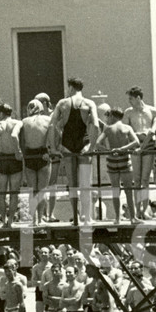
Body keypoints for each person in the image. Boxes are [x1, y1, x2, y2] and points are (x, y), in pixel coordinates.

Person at [49, 77, 100, 224]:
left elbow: (52, 126)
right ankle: (87, 217)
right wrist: (92, 147)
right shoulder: (89, 103)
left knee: (72, 184)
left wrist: (53, 148)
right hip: (83, 145)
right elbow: (96, 126)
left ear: (70, 88)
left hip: (67, 147)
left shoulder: (62, 103)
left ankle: (75, 217)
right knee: (85, 183)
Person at [94, 106, 140, 225]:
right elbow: (136, 142)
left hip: (112, 161)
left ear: (113, 116)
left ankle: (117, 218)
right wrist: (122, 149)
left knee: (115, 190)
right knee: (128, 190)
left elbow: (98, 144)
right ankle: (133, 217)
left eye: (108, 116)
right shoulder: (127, 128)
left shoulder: (108, 129)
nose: (108, 119)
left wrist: (109, 150)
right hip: (125, 159)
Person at [122, 86, 156, 219]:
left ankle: (144, 210)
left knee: (145, 179)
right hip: (136, 145)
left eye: (131, 98)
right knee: (136, 179)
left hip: (148, 144)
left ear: (138, 98)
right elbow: (126, 129)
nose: (129, 101)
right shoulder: (128, 112)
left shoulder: (152, 111)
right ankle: (137, 210)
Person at [16, 99, 52, 224]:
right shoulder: (47, 120)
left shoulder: (24, 122)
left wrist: (22, 155)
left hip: (30, 155)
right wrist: (50, 151)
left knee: (33, 190)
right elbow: (54, 136)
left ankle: (34, 219)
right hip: (43, 154)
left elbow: (21, 141)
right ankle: (40, 218)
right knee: (41, 190)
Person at [0, 103, 24, 228]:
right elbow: (14, 135)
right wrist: (18, 152)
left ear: (0, 113)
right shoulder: (17, 123)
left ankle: (3, 221)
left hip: (3, 159)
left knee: (1, 193)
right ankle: (10, 221)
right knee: (14, 193)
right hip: (14, 159)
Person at [30, 247, 50, 312]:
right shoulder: (36, 267)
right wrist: (44, 283)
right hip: (39, 293)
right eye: (42, 253)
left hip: (49, 293)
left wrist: (41, 283)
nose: (43, 254)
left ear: (49, 254)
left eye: (45, 253)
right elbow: (33, 282)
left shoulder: (52, 267)